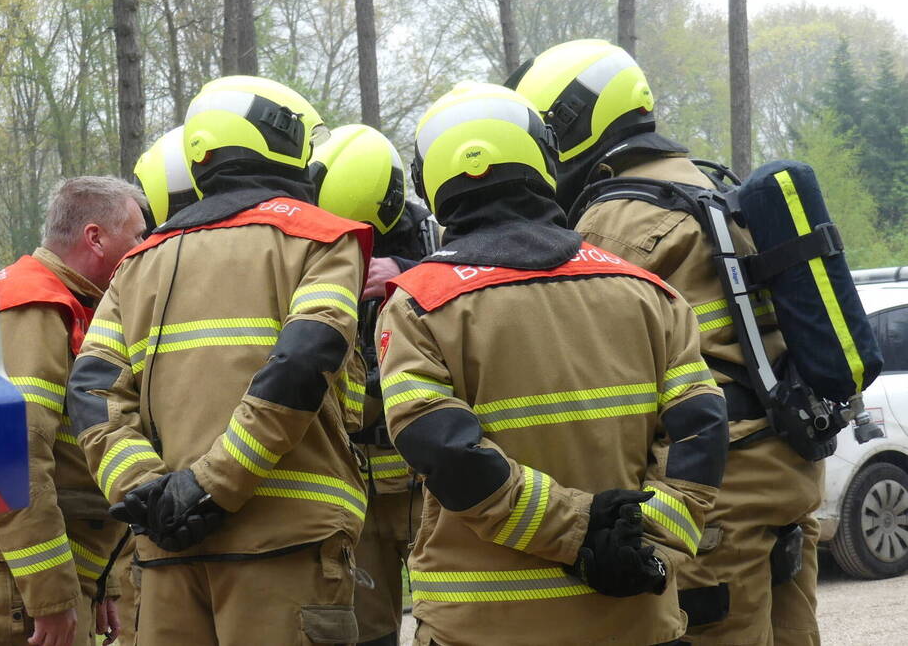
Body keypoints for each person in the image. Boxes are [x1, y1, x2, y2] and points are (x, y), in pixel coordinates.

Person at [377, 82, 728, 646]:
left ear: (429, 183)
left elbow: (446, 453)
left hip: (482, 628)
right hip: (635, 620)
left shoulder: (420, 305)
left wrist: (579, 531)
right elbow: (700, 433)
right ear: (544, 161)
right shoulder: (648, 292)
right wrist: (641, 547)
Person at [512, 39, 823, 645]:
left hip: (715, 495)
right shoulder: (710, 187)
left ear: (567, 125)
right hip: (784, 468)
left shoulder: (614, 222)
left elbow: (593, 379)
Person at [66, 76, 372, 644]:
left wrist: (148, 493)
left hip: (165, 550)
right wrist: (210, 486)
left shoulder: (139, 263)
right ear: (282, 140)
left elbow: (91, 392)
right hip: (286, 547)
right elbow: (303, 364)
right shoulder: (321, 239)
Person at [0, 176, 148, 646]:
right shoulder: (35, 308)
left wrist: (99, 582)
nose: (143, 250)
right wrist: (50, 597)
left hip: (25, 567)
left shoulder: (65, 303)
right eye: (136, 236)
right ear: (95, 238)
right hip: (8, 569)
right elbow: (17, 456)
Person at [310, 124, 440, 645]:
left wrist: (406, 274)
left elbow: (477, 291)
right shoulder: (312, 239)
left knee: (450, 615)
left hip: (424, 479)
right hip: (356, 477)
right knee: (365, 628)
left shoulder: (436, 237)